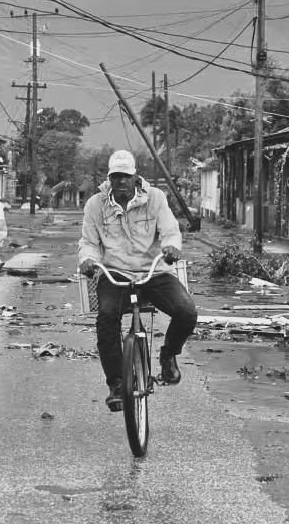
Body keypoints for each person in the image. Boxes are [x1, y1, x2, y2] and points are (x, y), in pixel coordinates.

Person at [78, 149, 197, 413]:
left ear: (135, 177)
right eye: (115, 176)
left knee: (186, 312)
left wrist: (171, 247)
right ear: (109, 178)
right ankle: (117, 384)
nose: (121, 181)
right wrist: (87, 259)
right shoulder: (96, 205)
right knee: (106, 318)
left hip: (154, 272)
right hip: (116, 273)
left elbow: (170, 231)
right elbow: (89, 242)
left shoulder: (155, 198)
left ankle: (168, 355)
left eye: (126, 176)